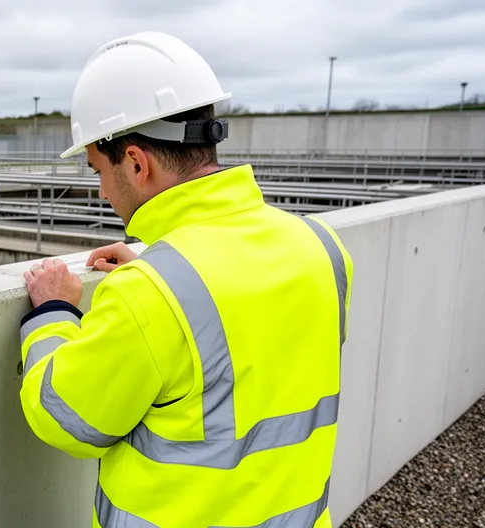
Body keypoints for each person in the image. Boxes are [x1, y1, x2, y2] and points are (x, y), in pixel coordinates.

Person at [18, 31, 353, 528]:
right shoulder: (322, 247)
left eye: (97, 172)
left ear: (135, 162)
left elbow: (65, 417)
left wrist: (53, 313)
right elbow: (241, 344)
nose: (103, 191)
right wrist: (156, 276)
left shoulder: (149, 296)